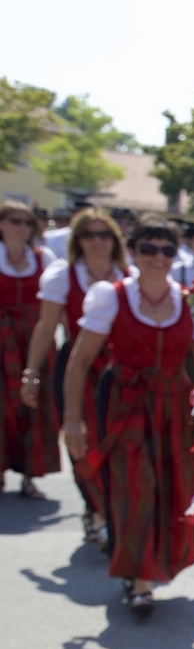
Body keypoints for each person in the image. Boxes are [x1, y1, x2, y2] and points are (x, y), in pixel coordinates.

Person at [53, 219, 194, 613]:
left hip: (174, 408)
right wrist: (72, 419)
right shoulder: (111, 297)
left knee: (170, 490)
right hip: (126, 406)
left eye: (167, 250)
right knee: (135, 488)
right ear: (132, 253)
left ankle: (148, 565)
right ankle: (140, 580)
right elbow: (79, 361)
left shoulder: (190, 302)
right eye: (148, 248)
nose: (158, 257)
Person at [24, 207, 128, 539]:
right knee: (81, 441)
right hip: (77, 368)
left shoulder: (130, 275)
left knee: (119, 443)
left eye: (104, 234)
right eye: (89, 235)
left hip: (120, 370)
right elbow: (46, 327)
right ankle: (95, 508)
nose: (97, 242)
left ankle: (114, 511)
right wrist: (31, 373)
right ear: (78, 240)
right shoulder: (63, 276)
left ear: (115, 239)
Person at [2, 201, 57, 498]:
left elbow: (56, 302)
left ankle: (29, 475)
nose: (21, 227)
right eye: (14, 221)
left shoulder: (43, 257)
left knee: (35, 405)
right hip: (2, 338)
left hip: (36, 337)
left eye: (26, 222)